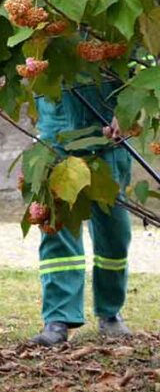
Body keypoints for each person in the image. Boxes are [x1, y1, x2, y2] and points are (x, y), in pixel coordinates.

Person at [30, 80, 133, 346]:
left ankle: (110, 312)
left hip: (109, 139)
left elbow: (147, 67)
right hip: (57, 133)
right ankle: (58, 318)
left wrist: (127, 111)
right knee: (57, 227)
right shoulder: (42, 37)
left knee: (115, 232)